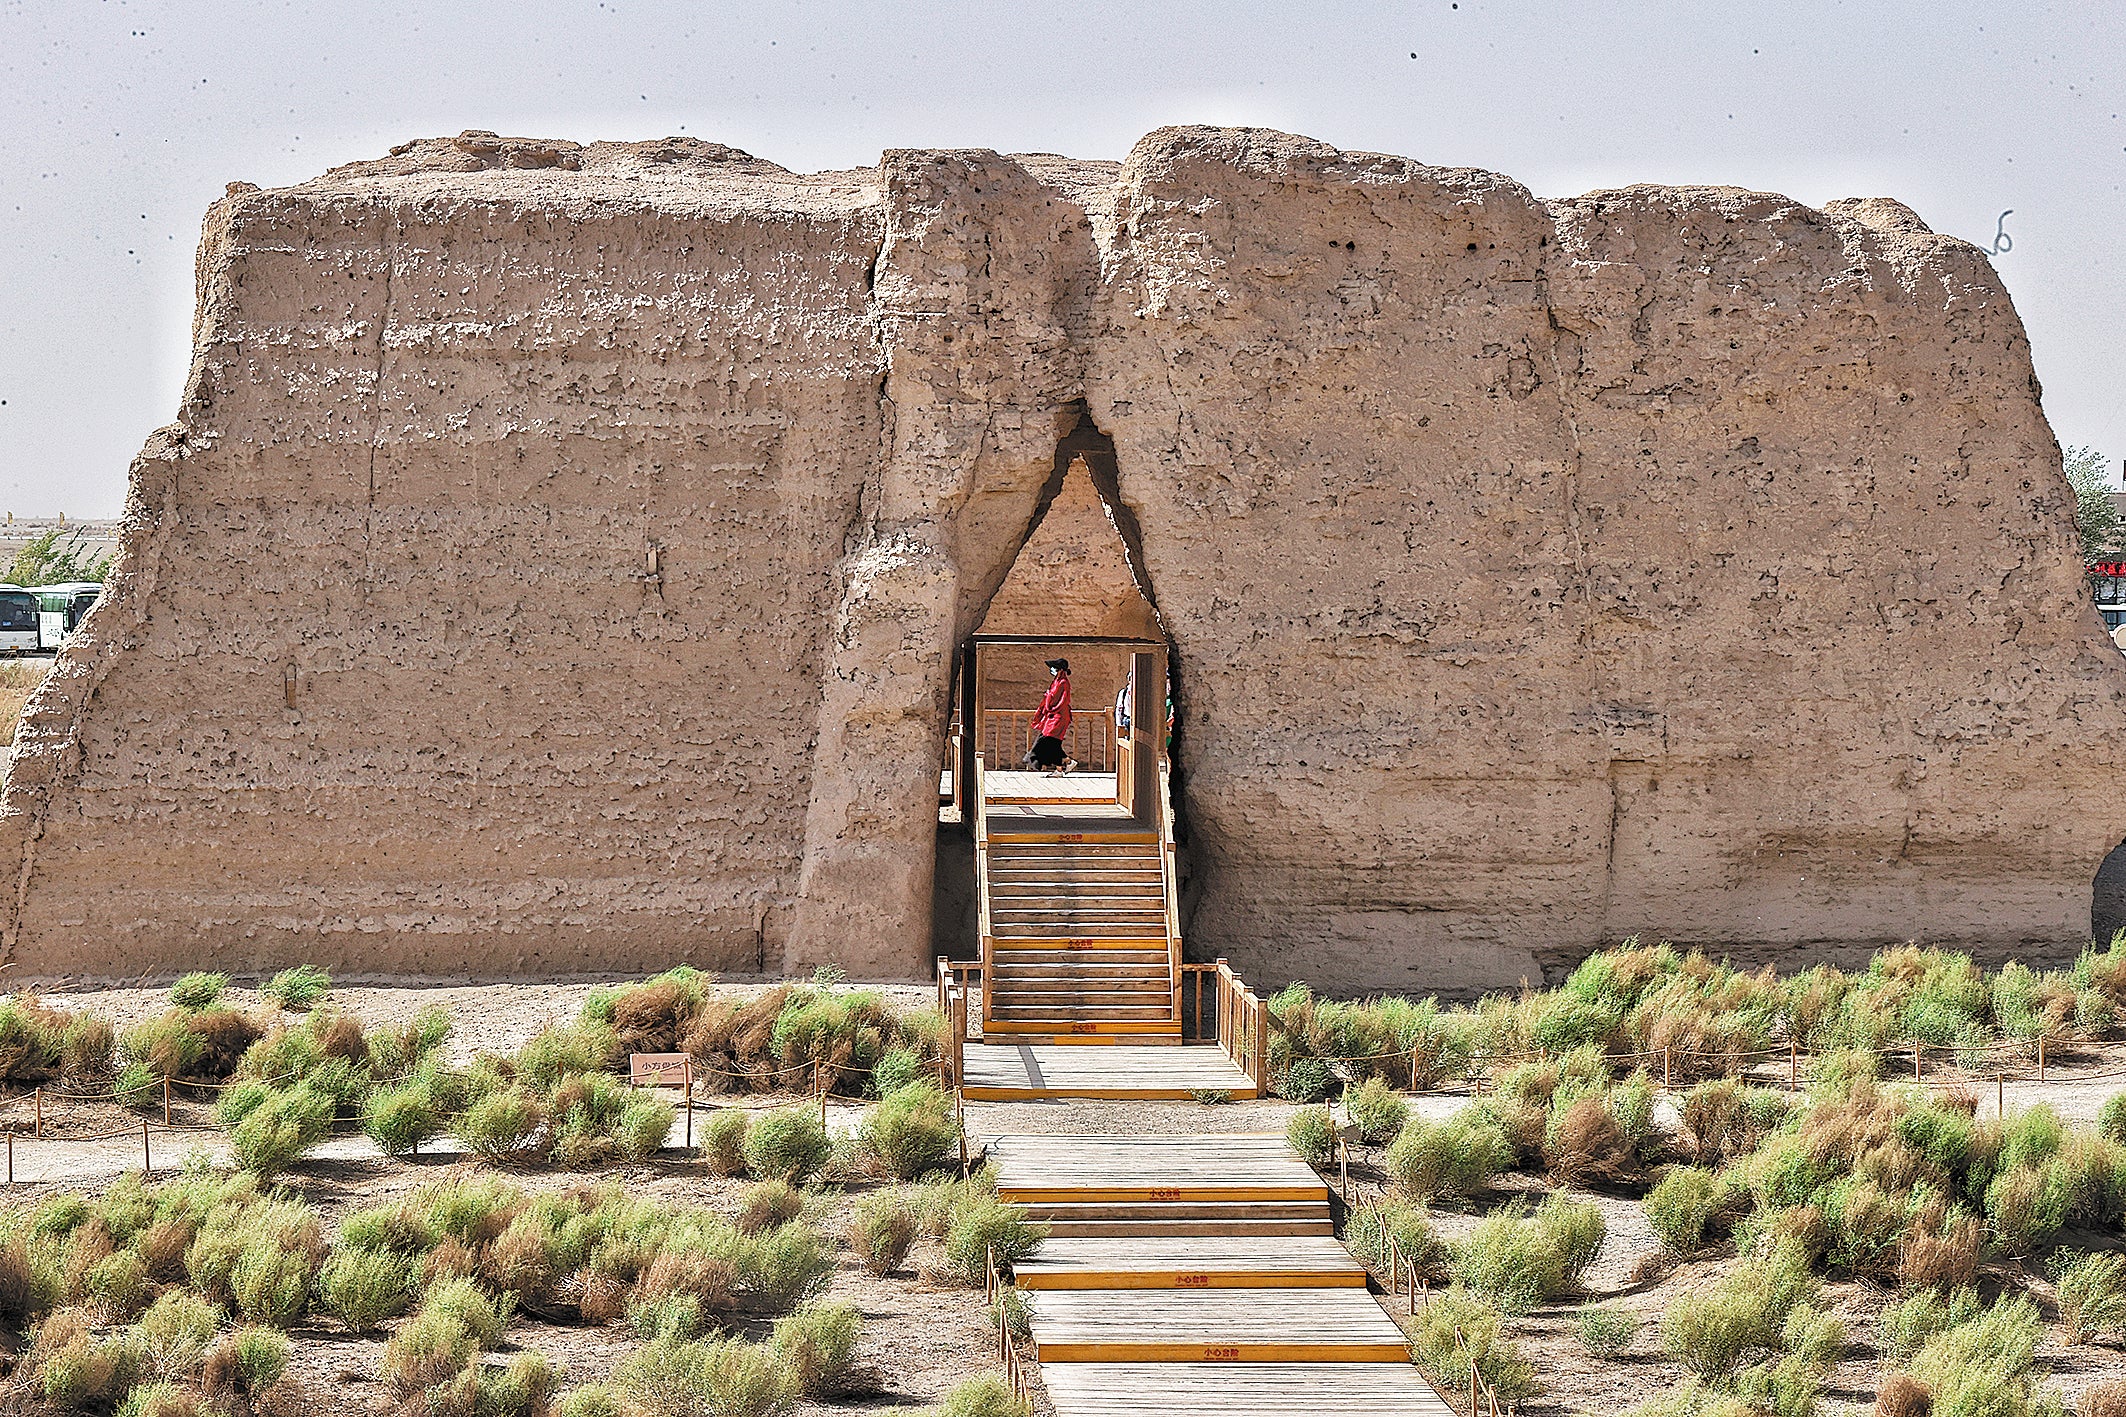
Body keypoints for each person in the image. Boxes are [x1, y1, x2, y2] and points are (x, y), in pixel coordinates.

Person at [1024, 658, 1076, 775]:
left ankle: (1064, 764)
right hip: (1053, 716)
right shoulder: (1056, 682)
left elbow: (1064, 699)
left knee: (1048, 740)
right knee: (1053, 742)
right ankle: (1063, 765)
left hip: (1059, 715)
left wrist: (1053, 709)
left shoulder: (1064, 683)